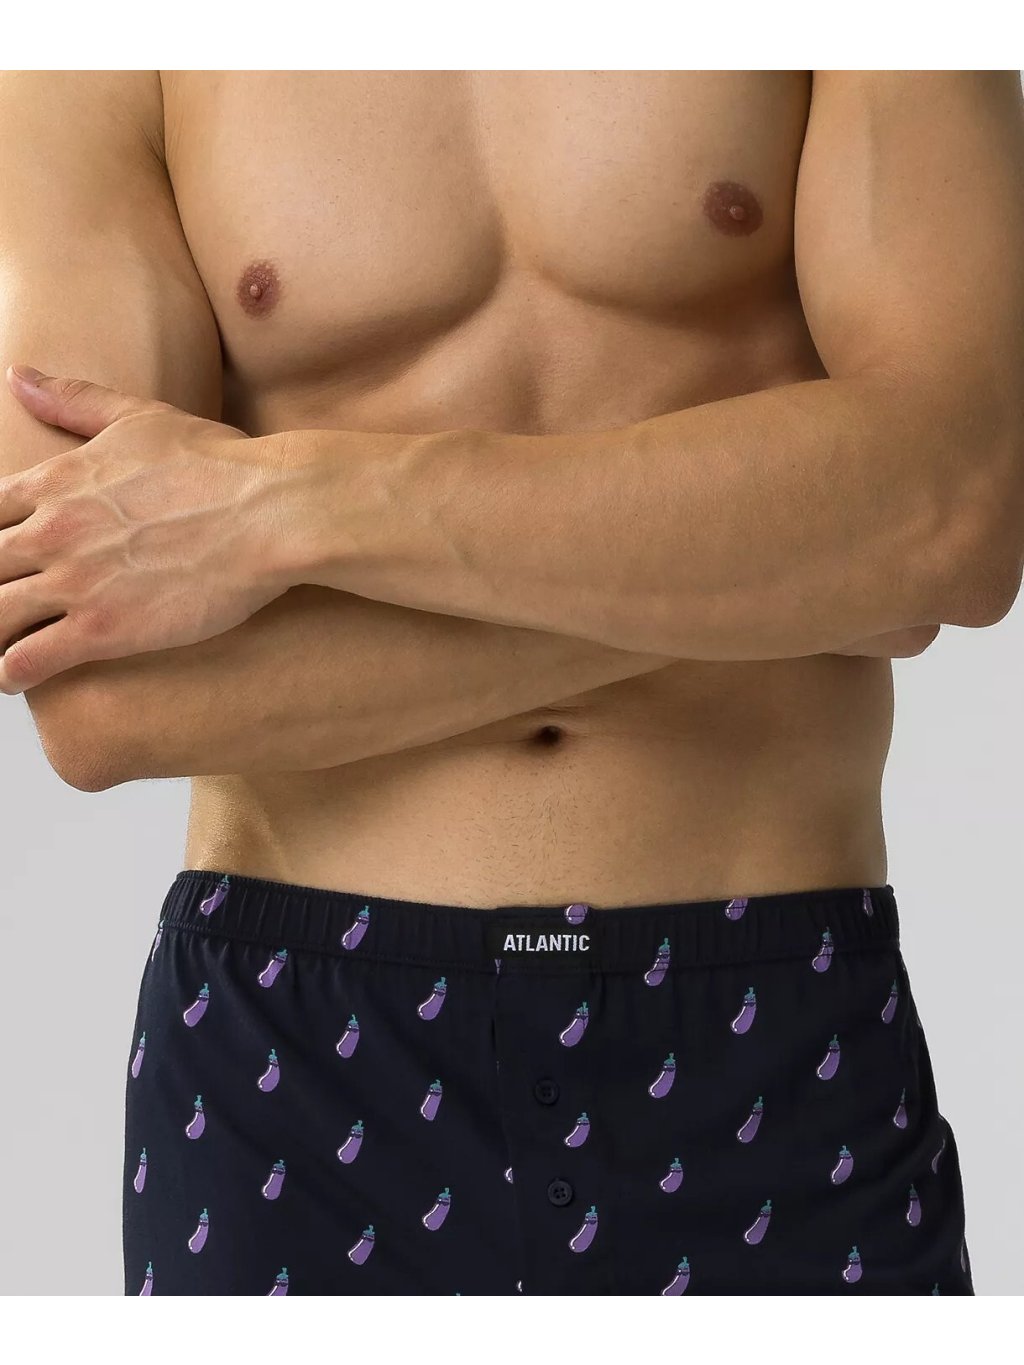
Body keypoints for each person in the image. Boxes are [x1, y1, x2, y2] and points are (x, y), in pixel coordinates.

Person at [1, 70, 1021, 1297]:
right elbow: (104, 694)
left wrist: (298, 501)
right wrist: (786, 572)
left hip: (769, 1014)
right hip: (298, 1059)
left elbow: (955, 503)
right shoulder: (98, 58)